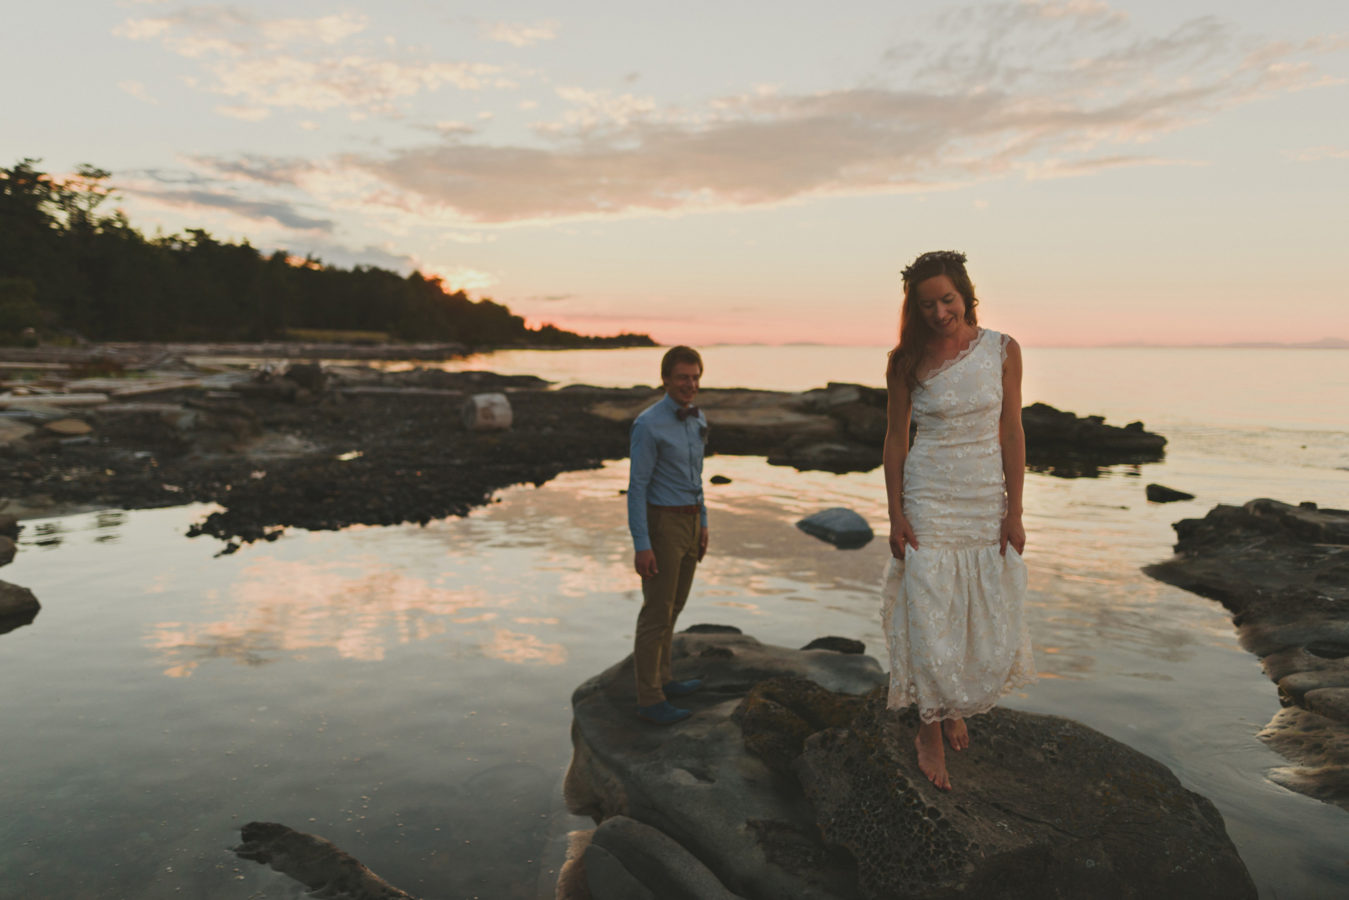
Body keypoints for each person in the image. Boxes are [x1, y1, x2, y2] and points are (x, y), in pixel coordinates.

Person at [881, 250, 1036, 790]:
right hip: (929, 492)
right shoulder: (905, 360)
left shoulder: (1002, 349)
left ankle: (950, 703)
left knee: (972, 609)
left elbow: (1012, 431)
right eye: (926, 305)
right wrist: (896, 513)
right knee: (929, 604)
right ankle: (928, 727)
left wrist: (1014, 510)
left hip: (982, 493)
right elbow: (896, 440)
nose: (939, 312)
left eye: (946, 299)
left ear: (965, 294)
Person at [627, 345, 709, 725]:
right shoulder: (648, 424)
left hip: (691, 523)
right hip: (662, 526)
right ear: (665, 379)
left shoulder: (697, 420)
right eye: (682, 377)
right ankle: (649, 698)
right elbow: (637, 487)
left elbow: (697, 480)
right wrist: (642, 545)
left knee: (674, 607)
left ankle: (664, 678)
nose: (689, 384)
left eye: (694, 377)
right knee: (656, 613)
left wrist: (704, 523)